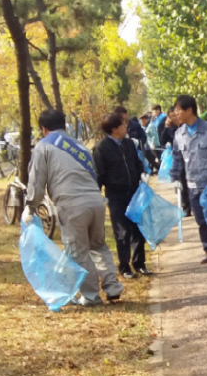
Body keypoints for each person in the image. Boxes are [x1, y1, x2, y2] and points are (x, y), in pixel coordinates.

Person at [24, 109, 123, 305]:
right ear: (64, 125)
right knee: (99, 246)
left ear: (43, 129)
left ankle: (91, 296)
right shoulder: (80, 146)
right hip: (95, 201)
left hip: (71, 204)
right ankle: (112, 287)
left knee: (78, 251)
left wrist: (30, 207)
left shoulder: (43, 147)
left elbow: (36, 182)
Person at [93, 113, 150, 279]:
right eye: (123, 125)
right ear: (114, 129)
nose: (127, 127)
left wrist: (142, 175)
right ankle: (124, 266)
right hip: (116, 194)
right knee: (122, 231)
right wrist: (99, 195)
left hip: (134, 191)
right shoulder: (101, 148)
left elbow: (137, 163)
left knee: (138, 228)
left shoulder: (128, 144)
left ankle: (139, 263)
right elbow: (99, 174)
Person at [173, 95, 207, 264]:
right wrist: (175, 177)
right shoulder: (179, 134)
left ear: (189, 110)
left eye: (178, 110)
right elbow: (177, 158)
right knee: (201, 219)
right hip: (192, 184)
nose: (176, 113)